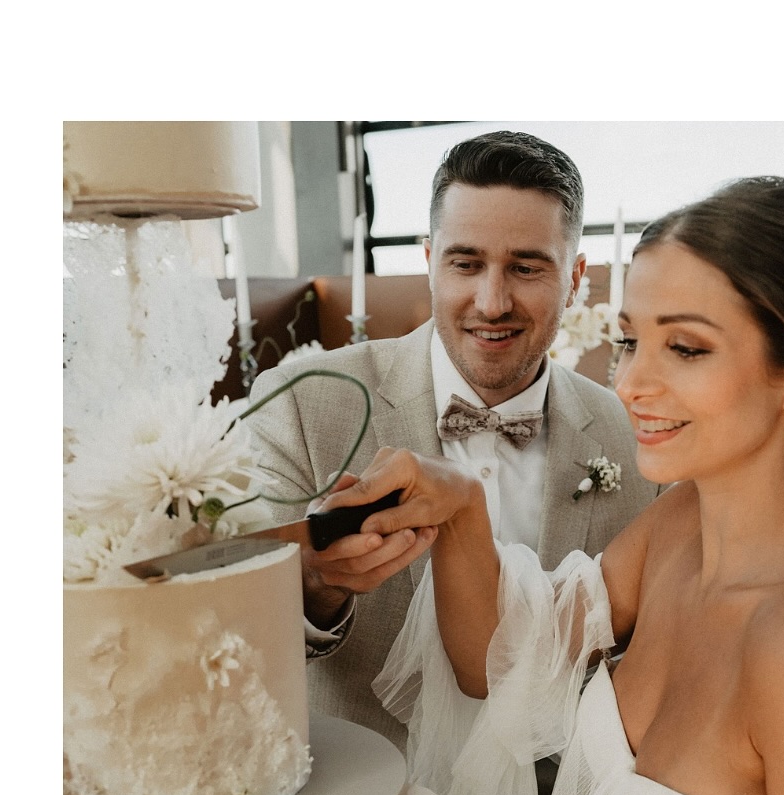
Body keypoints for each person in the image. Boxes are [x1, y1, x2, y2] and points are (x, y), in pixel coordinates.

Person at [324, 176, 784, 795]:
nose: (629, 383)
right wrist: (462, 507)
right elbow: (501, 663)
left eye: (687, 347)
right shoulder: (678, 525)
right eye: (632, 340)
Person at [247, 131, 658, 752]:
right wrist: (316, 583)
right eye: (466, 264)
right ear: (430, 261)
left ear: (575, 278)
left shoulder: (636, 439)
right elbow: (237, 634)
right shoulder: (302, 403)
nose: (492, 303)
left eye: (526, 267)